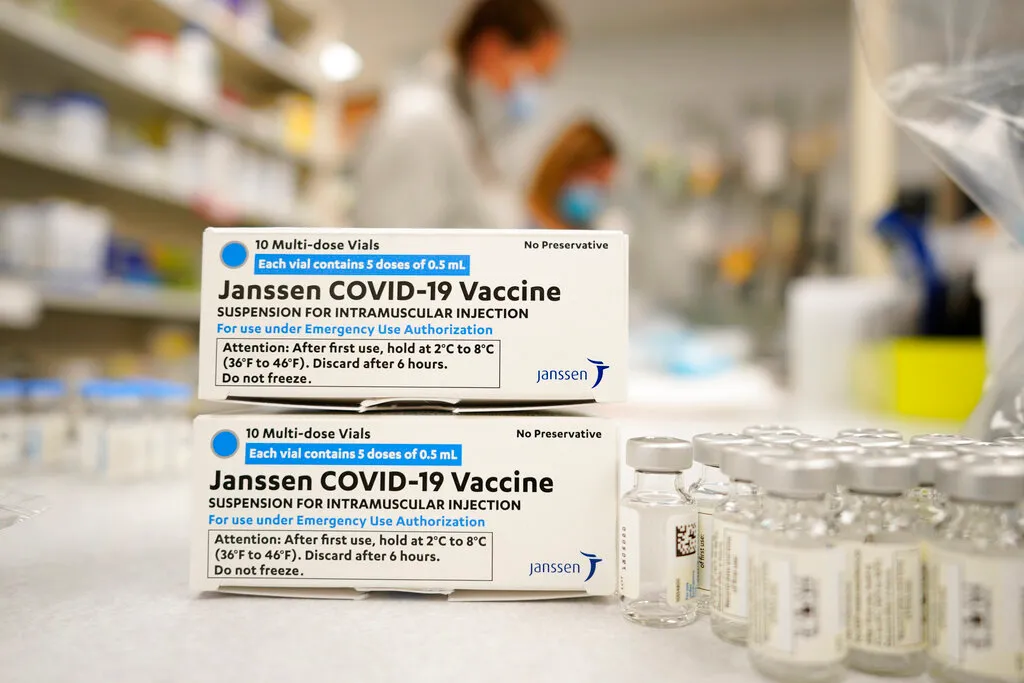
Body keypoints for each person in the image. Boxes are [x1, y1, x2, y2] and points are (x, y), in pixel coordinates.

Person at [352, 0, 565, 230]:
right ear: (492, 49)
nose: (534, 89)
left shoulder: (467, 126)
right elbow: (394, 243)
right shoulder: (420, 122)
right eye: (535, 73)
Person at [527, 119, 619, 230]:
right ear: (565, 168)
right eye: (596, 177)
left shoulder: (582, 233)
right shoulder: (524, 226)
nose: (598, 190)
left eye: (604, 183)